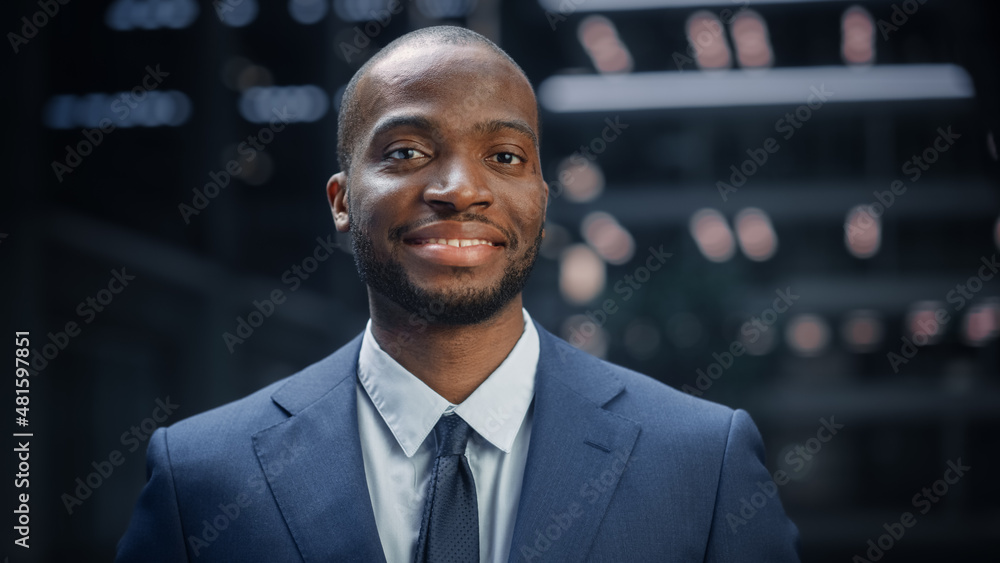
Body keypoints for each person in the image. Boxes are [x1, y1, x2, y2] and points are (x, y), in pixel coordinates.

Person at [117, 25, 800, 562]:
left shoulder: (700, 463)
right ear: (342, 200)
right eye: (407, 153)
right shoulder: (202, 476)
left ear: (539, 198)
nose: (460, 189)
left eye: (504, 158)